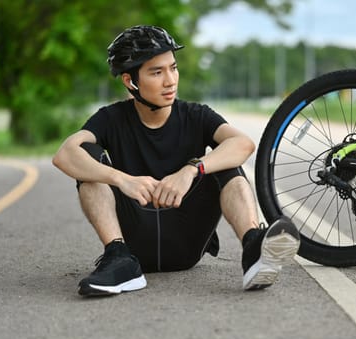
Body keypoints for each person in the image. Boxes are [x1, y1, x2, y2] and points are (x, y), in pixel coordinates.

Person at [52, 25, 300, 297]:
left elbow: (243, 143)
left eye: (173, 68)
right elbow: (65, 154)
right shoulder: (111, 118)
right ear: (129, 81)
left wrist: (192, 169)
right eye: (157, 72)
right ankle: (118, 257)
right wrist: (121, 179)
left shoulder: (196, 115)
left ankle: (253, 247)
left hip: (187, 237)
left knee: (224, 159)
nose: (170, 80)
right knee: (87, 159)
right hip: (135, 242)